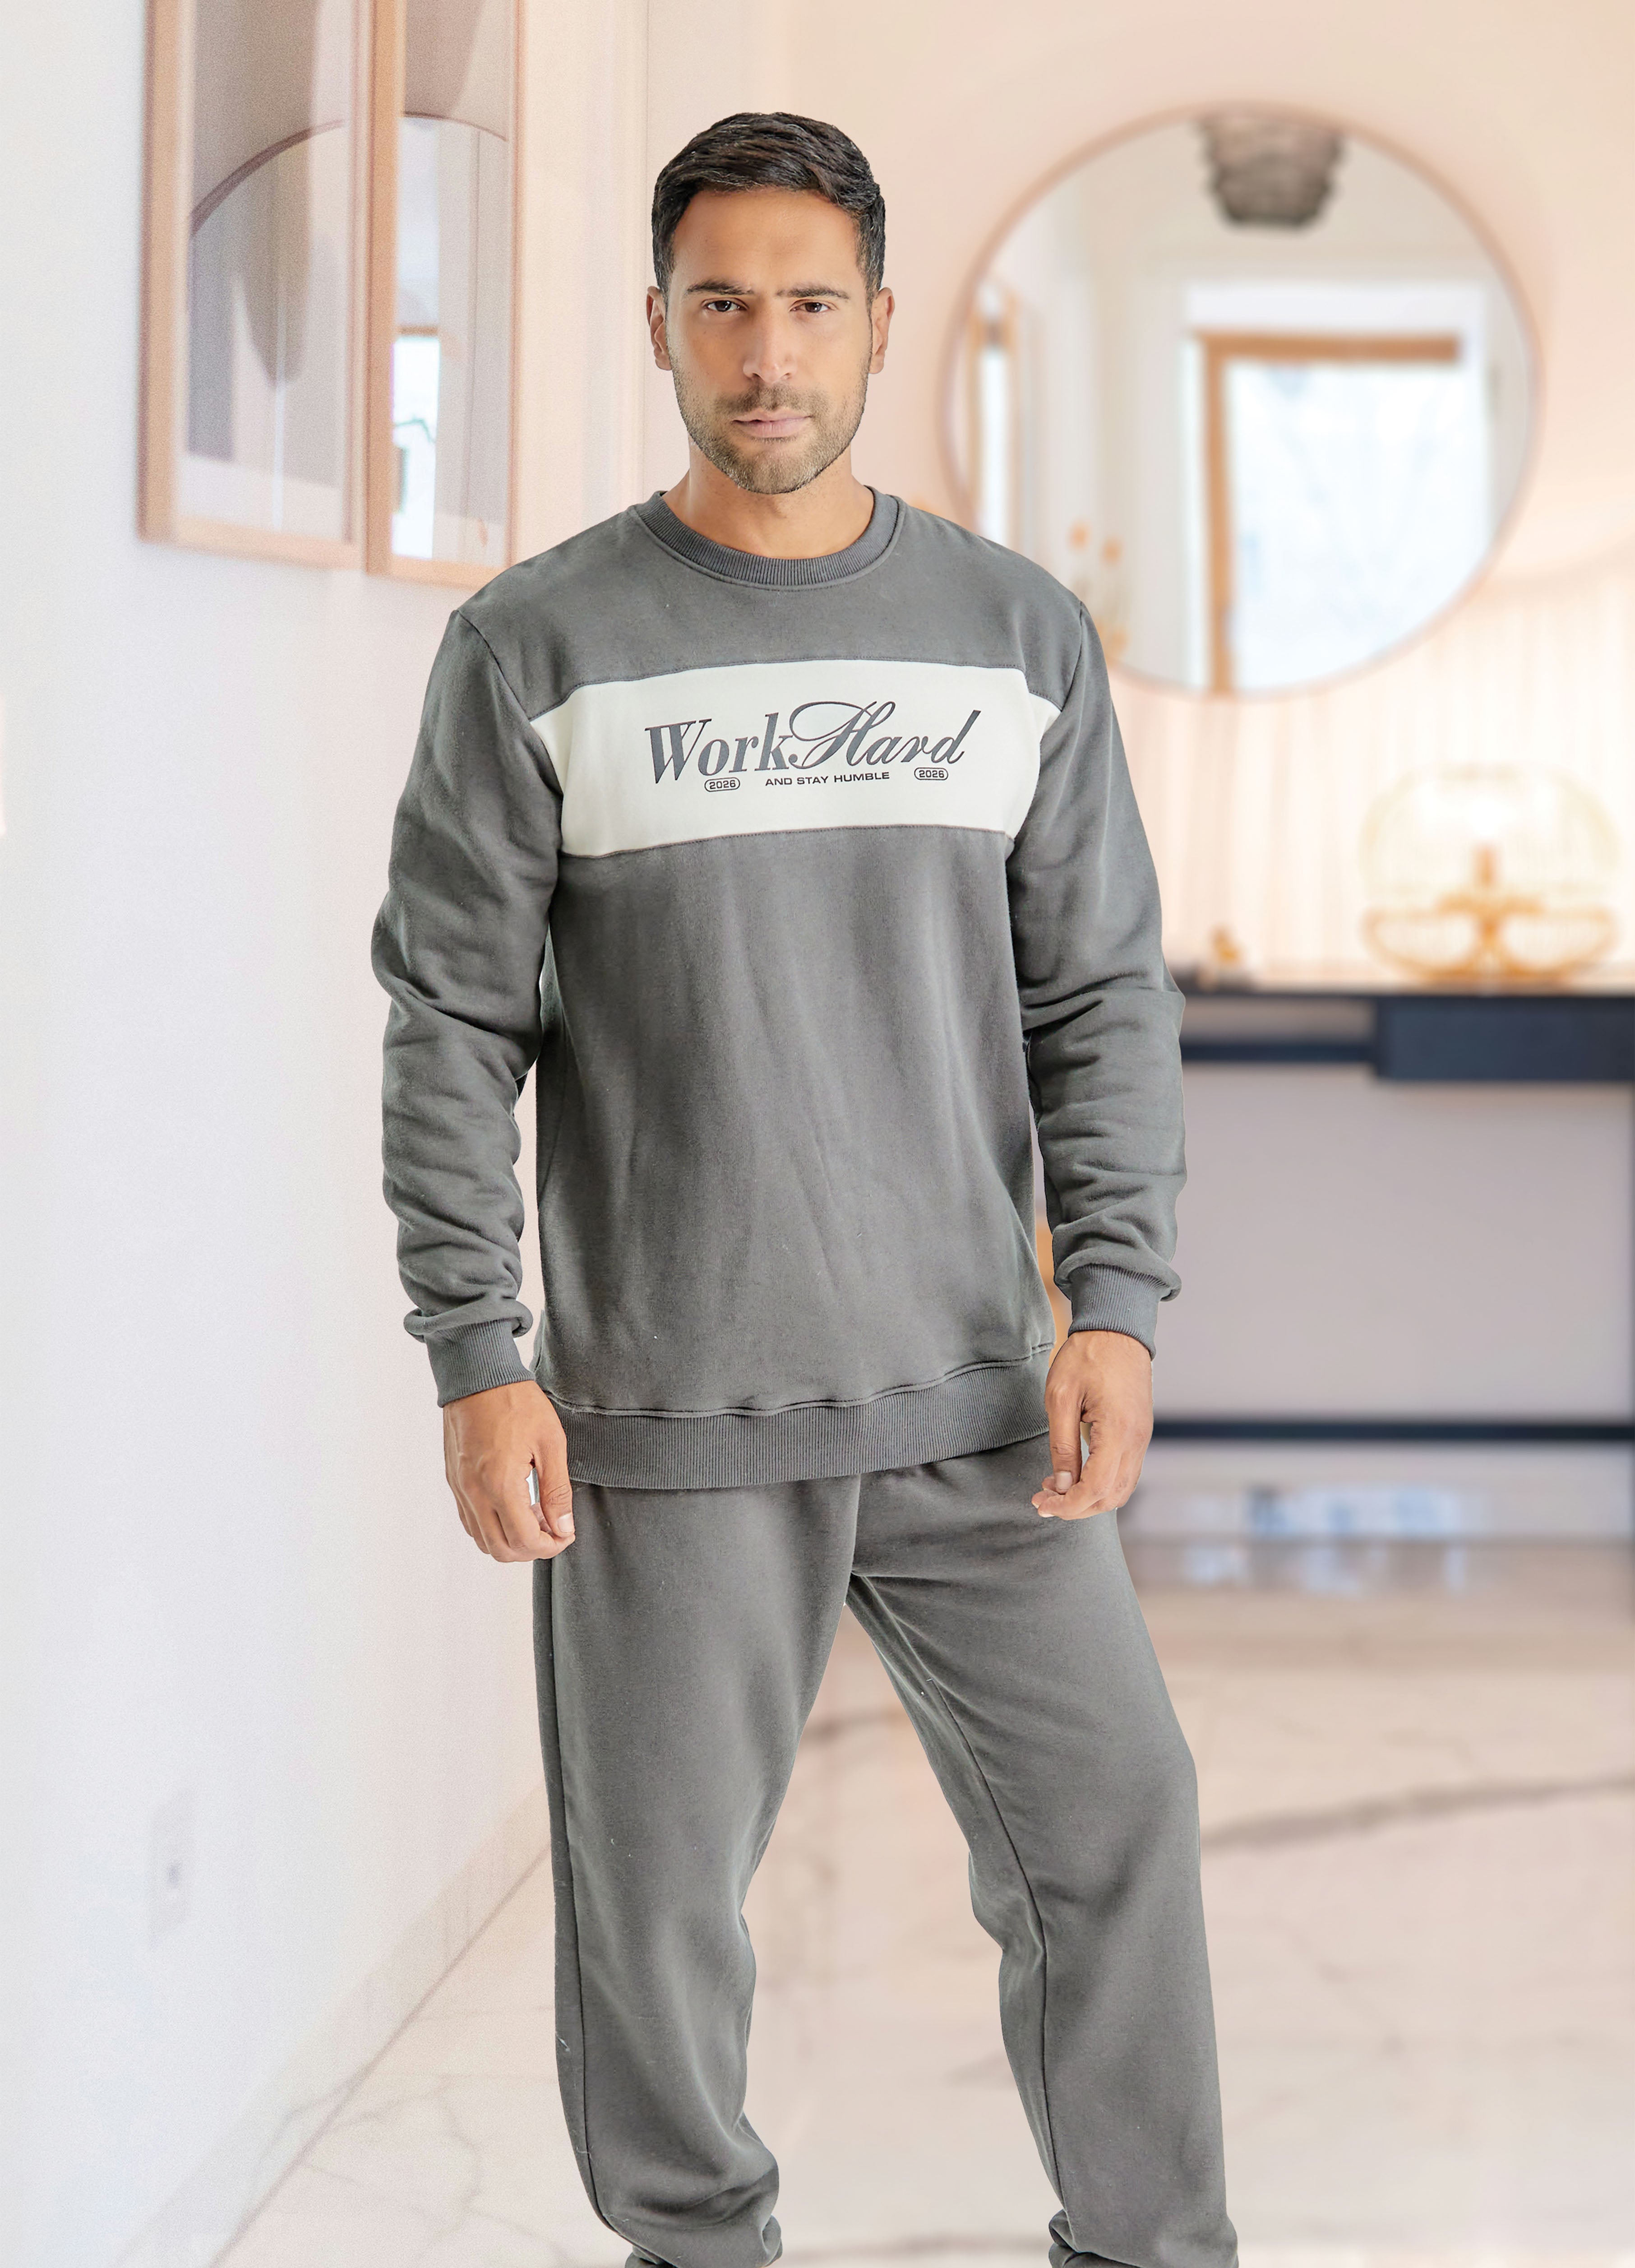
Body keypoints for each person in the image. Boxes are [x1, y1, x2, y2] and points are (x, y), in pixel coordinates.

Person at [374, 109, 1235, 2268]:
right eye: (725, 303)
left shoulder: (1017, 635)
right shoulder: (536, 647)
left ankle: (1154, 2250)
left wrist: (1116, 1303)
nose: (770, 352)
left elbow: (1101, 994)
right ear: (662, 324)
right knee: (658, 1913)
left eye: (812, 304)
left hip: (975, 1393)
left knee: (1118, 1824)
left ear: (879, 320)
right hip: (668, 1410)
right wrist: (478, 1353)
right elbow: (449, 1022)